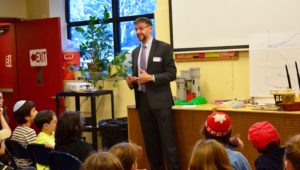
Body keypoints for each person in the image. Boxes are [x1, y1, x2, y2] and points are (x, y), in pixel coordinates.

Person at [125, 17, 180, 170]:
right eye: (136, 29)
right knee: (151, 144)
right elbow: (138, 78)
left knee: (169, 144)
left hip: (161, 103)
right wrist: (131, 82)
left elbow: (172, 74)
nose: (138, 32)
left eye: (141, 28)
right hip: (142, 103)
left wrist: (152, 77)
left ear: (150, 28)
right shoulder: (135, 52)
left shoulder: (163, 48)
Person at [11, 100, 37, 168]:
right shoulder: (30, 132)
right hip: (29, 167)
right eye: (34, 111)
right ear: (27, 117)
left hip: (18, 166)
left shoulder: (16, 130)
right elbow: (36, 154)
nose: (37, 112)